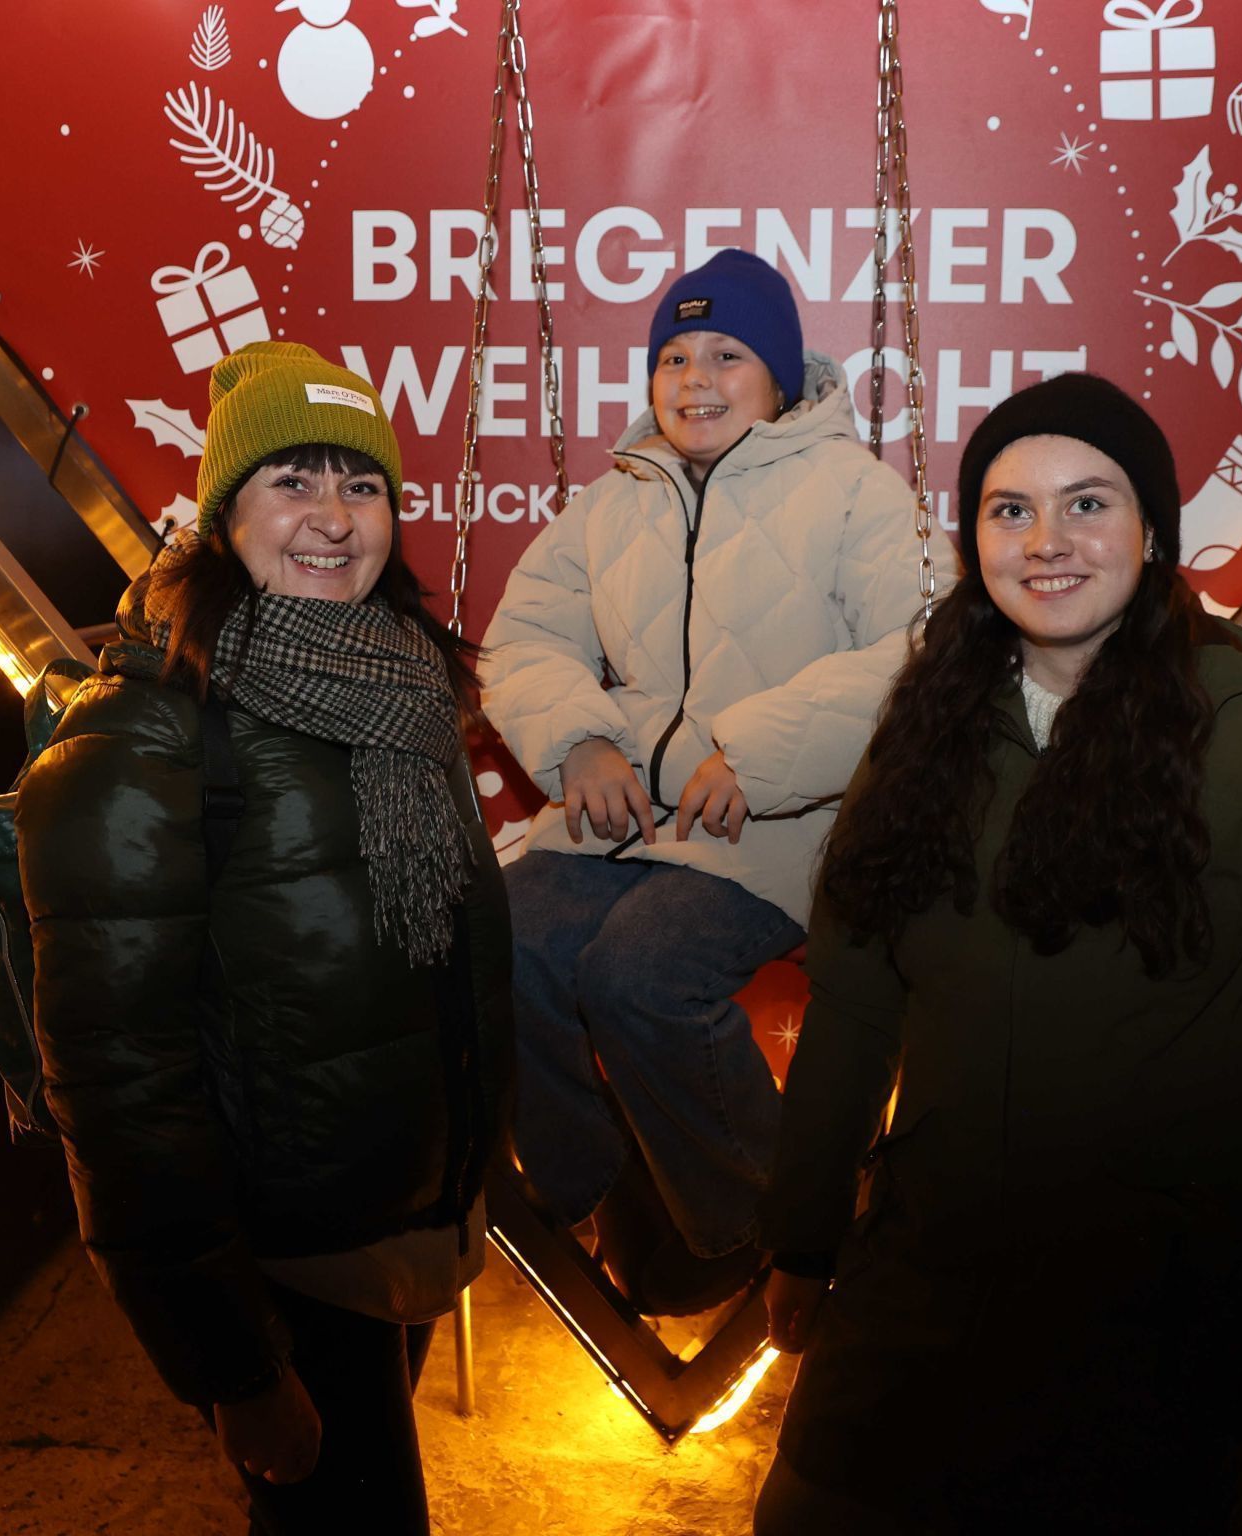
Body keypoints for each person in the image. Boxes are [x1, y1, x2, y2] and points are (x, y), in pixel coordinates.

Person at [754, 373, 1242, 1534]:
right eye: (1009, 511)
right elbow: (849, 1011)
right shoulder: (920, 742)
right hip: (915, 1292)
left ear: (1151, 533)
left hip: (1148, 1320)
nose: (1046, 542)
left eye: (1087, 504)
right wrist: (800, 1238)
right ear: (972, 542)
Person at [16, 343, 511, 1535]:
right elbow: (121, 1087)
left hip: (401, 1236)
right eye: (293, 482)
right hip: (282, 1274)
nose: (334, 521)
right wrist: (230, 1366)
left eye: (362, 485)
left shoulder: (400, 688)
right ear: (222, 510)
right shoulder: (145, 733)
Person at [481, 248, 957, 1315]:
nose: (695, 377)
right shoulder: (614, 498)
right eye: (675, 355)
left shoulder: (854, 492)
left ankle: (766, 1212)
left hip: (787, 821)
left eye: (727, 353)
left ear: (780, 376)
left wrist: (753, 753)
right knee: (495, 936)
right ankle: (590, 1185)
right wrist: (579, 747)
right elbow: (522, 641)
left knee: (638, 977)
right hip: (629, 815)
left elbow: (926, 650)